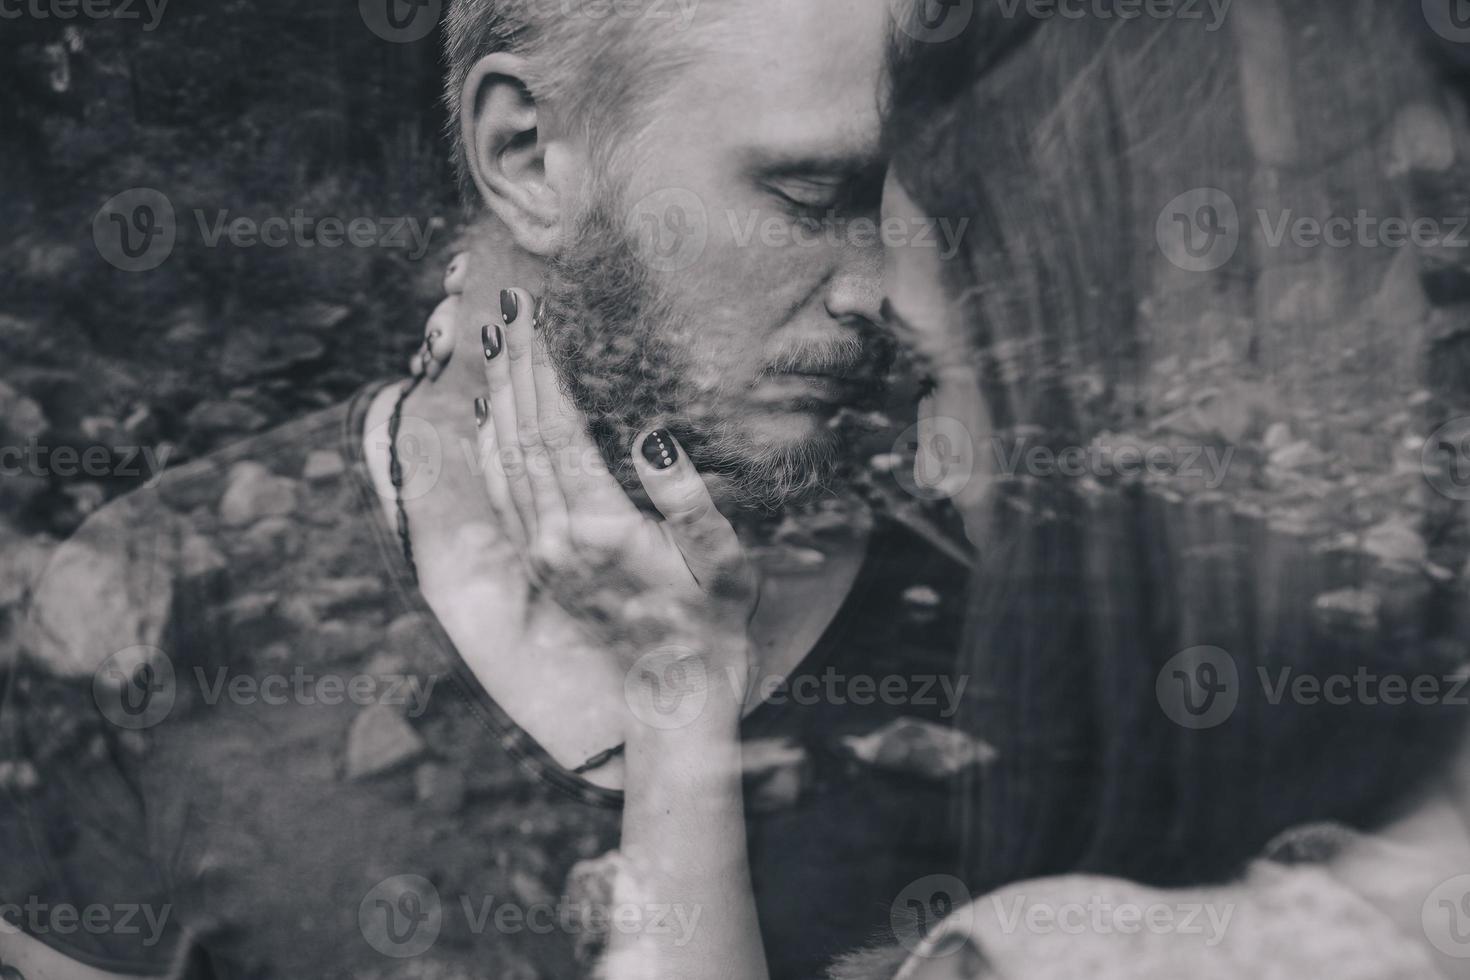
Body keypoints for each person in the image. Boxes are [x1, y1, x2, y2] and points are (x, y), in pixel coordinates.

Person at [485, 1, 1470, 977]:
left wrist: (675, 705)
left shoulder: (1059, 955)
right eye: (804, 194)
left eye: (940, 371)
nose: (932, 464)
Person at [0, 2, 974, 978]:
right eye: (811, 193)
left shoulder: (994, 630)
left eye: (913, 209)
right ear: (527, 154)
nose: (879, 287)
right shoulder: (165, 606)